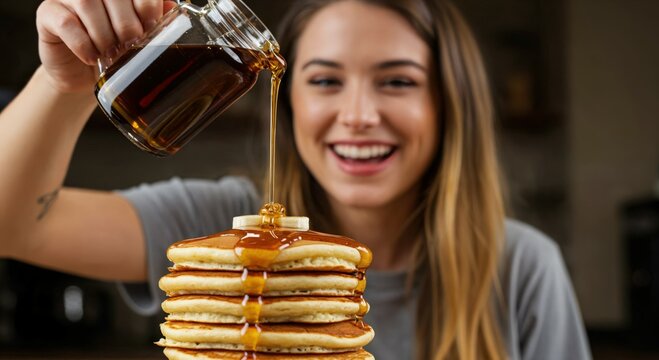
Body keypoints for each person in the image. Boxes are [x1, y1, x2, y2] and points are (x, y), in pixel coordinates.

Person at [0, 0, 591, 359]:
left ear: (449, 105)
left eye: (398, 81)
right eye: (326, 81)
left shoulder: (520, 267)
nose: (358, 114)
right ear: (290, 103)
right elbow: (15, 224)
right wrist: (64, 85)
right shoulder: (221, 233)